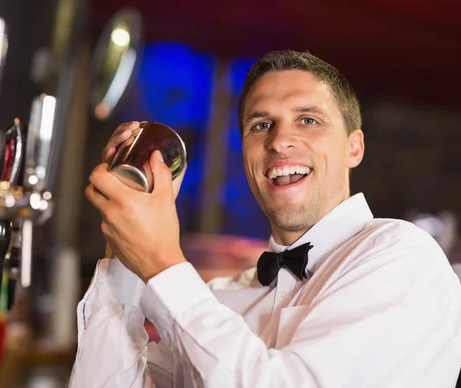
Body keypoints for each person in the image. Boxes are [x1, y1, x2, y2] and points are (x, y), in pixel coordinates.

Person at [69, 50, 461, 387]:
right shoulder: (218, 300)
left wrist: (161, 262)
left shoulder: (403, 256)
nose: (278, 140)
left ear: (353, 148)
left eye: (308, 120)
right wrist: (124, 248)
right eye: (260, 125)